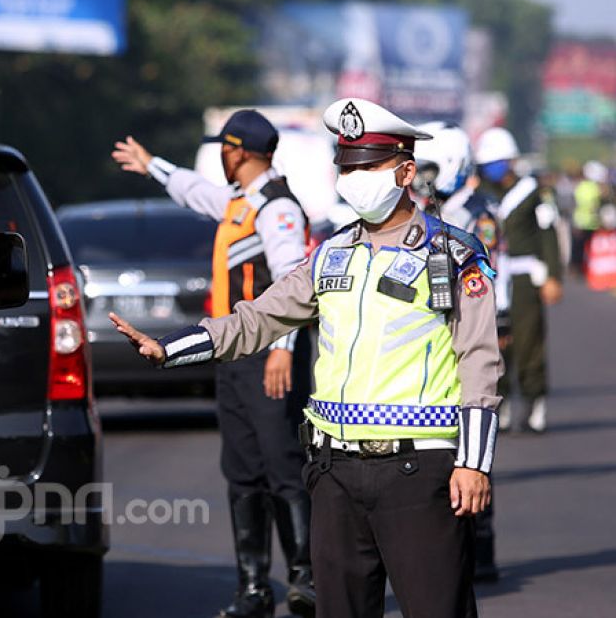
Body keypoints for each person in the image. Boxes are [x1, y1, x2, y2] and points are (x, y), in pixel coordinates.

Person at [111, 98, 500, 618]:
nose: (353, 178)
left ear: (406, 171)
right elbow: (258, 319)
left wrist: (473, 463)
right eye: (347, 167)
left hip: (419, 470)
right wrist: (171, 348)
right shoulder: (331, 254)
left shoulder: (453, 255)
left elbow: (479, 359)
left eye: (368, 167)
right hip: (335, 470)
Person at [112, 110, 314, 618]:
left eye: (224, 149)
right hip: (233, 355)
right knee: (243, 471)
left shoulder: (277, 208)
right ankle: (253, 588)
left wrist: (283, 352)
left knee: (283, 466)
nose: (221, 158)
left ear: (239, 150)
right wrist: (151, 165)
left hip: (269, 354)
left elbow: (293, 284)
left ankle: (305, 579)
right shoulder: (238, 202)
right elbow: (193, 190)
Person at [414, 122, 503, 582]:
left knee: (475, 442)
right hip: (433, 333)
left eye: (427, 168)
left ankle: (481, 546)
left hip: (474, 324)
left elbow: (487, 278)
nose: (419, 179)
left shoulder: (474, 213)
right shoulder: (429, 211)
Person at [474, 126, 562, 433]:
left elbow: (549, 235)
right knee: (496, 344)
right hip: (491, 275)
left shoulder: (533, 192)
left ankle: (535, 402)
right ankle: (504, 403)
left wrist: (553, 275)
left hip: (525, 277)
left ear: (511, 160)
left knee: (528, 340)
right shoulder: (480, 193)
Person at [573, 161, 608, 275]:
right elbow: (590, 204)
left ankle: (584, 268)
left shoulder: (583, 186)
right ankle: (579, 268)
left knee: (586, 248)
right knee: (580, 247)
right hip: (584, 222)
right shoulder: (590, 187)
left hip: (589, 222)